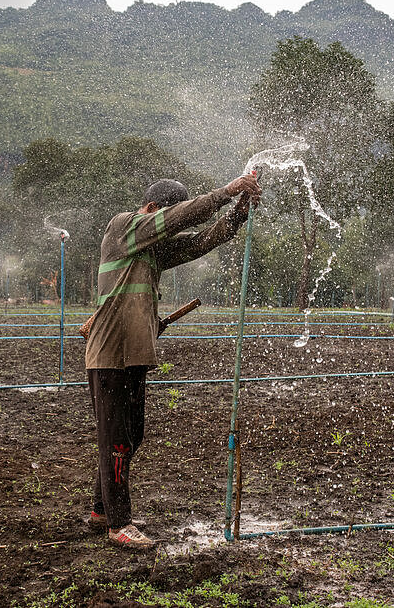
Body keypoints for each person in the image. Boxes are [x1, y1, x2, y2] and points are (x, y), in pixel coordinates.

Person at [84, 173, 261, 548]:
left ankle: (102, 507)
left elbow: (200, 242)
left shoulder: (154, 250)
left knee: (130, 436)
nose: (168, 223)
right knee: (116, 441)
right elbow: (179, 218)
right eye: (164, 215)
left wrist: (238, 213)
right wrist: (225, 193)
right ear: (150, 210)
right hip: (110, 354)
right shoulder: (123, 228)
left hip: (133, 356)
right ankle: (118, 525)